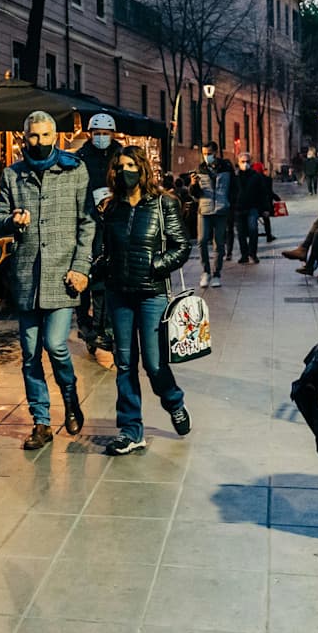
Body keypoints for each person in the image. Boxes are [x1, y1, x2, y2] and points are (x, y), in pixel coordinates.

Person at [0, 110, 94, 450]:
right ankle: (41, 422)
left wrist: (81, 266)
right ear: (25, 137)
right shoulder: (12, 175)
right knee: (29, 353)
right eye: (33, 136)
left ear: (55, 137)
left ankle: (70, 398)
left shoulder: (75, 169)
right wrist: (12, 220)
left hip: (63, 275)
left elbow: (87, 222)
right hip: (26, 275)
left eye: (44, 136)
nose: (38, 142)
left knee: (56, 345)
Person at [100, 146, 192, 454]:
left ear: (142, 168)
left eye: (130, 165)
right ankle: (130, 429)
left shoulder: (164, 204)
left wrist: (153, 265)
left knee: (154, 364)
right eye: (119, 166)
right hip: (119, 295)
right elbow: (105, 251)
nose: (124, 171)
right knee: (124, 364)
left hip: (153, 295)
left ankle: (173, 401)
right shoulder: (111, 208)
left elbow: (182, 247)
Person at [76, 113, 122, 355]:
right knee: (90, 271)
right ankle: (86, 322)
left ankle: (107, 325)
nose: (102, 137)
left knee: (111, 275)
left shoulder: (122, 155)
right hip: (89, 221)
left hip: (116, 219)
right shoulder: (80, 158)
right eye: (98, 133)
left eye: (106, 133)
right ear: (90, 134)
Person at [191, 141, 235, 288]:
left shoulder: (226, 167)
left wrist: (231, 206)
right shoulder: (200, 168)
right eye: (204, 154)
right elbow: (195, 194)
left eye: (209, 153)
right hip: (204, 210)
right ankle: (205, 272)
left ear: (216, 152)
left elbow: (234, 188)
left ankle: (217, 274)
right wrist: (193, 184)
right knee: (202, 240)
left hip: (221, 209)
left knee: (219, 244)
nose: (206, 157)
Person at [233, 152, 268, 264]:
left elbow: (263, 193)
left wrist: (265, 209)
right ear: (238, 163)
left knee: (253, 230)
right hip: (239, 208)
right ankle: (244, 255)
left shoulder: (256, 176)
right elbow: (232, 193)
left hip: (253, 207)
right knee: (241, 233)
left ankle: (253, 254)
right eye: (243, 162)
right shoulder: (235, 177)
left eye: (247, 161)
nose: (245, 164)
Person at [253, 162, 279, 243]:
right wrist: (277, 198)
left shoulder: (250, 179)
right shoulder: (267, 179)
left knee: (254, 220)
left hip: (254, 205)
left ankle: (253, 236)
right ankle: (269, 236)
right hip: (264, 205)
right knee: (266, 220)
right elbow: (269, 192)